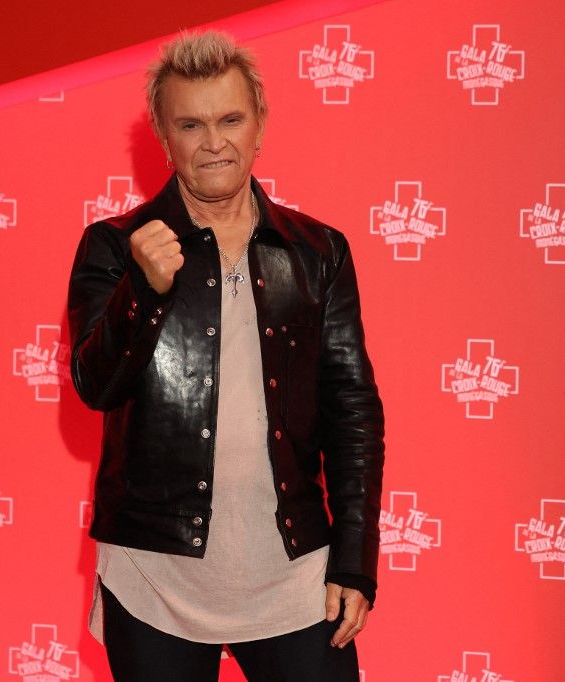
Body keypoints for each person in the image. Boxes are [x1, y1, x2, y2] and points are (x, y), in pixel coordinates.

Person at [68, 30, 385, 682]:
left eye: (231, 119)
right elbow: (93, 386)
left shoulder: (318, 251)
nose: (214, 141)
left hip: (293, 575)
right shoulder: (114, 246)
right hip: (157, 578)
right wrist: (142, 293)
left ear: (260, 124)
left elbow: (351, 409)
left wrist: (354, 558)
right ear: (164, 136)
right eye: (191, 123)